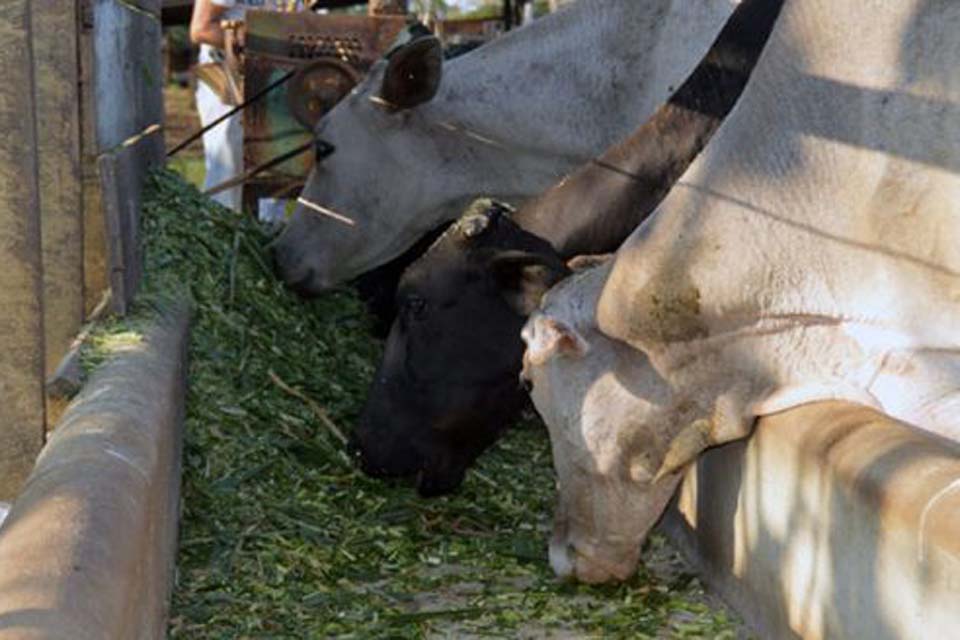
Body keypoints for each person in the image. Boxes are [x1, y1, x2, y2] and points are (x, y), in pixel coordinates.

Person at [189, 0, 301, 218]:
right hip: (227, 76)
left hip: (274, 76)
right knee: (229, 169)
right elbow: (201, 29)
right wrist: (263, 46)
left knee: (275, 169)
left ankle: (266, 238)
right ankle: (221, 238)